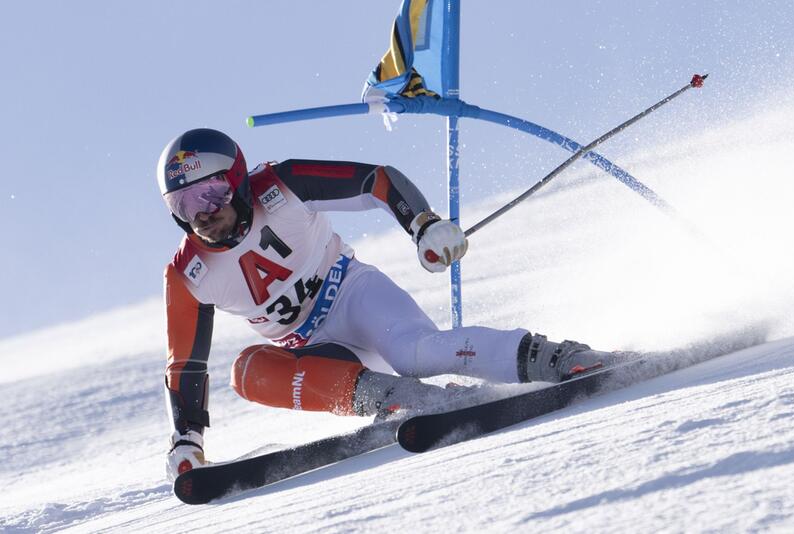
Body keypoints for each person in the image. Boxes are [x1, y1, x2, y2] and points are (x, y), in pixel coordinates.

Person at [159, 128, 613, 479]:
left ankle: (560, 357)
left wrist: (423, 224)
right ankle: (403, 401)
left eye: (211, 192)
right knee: (247, 372)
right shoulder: (187, 274)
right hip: (321, 353)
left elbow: (375, 180)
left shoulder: (282, 186)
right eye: (184, 202)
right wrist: (186, 439)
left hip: (355, 297)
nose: (203, 212)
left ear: (237, 183)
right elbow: (185, 364)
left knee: (416, 353)